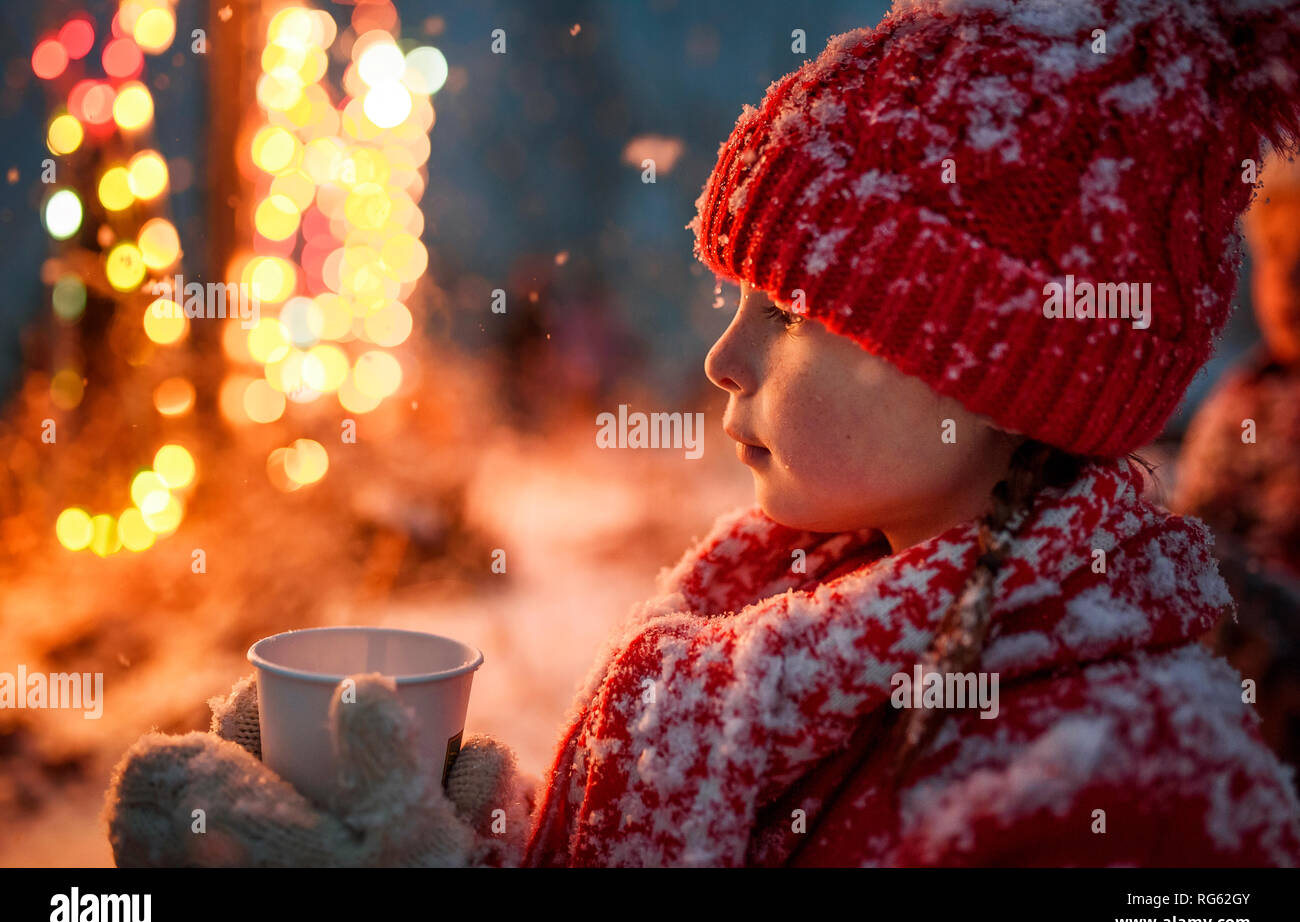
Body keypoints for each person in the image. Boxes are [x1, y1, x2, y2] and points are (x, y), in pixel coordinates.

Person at [105, 0, 1300, 867]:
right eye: (735, 300)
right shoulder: (792, 620)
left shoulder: (1123, 790)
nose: (722, 359)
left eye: (789, 312)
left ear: (987, 368)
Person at [1172, 148, 1300, 770]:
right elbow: (1194, 566)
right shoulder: (1238, 411)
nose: (1291, 280)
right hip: (1250, 742)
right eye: (1276, 256)